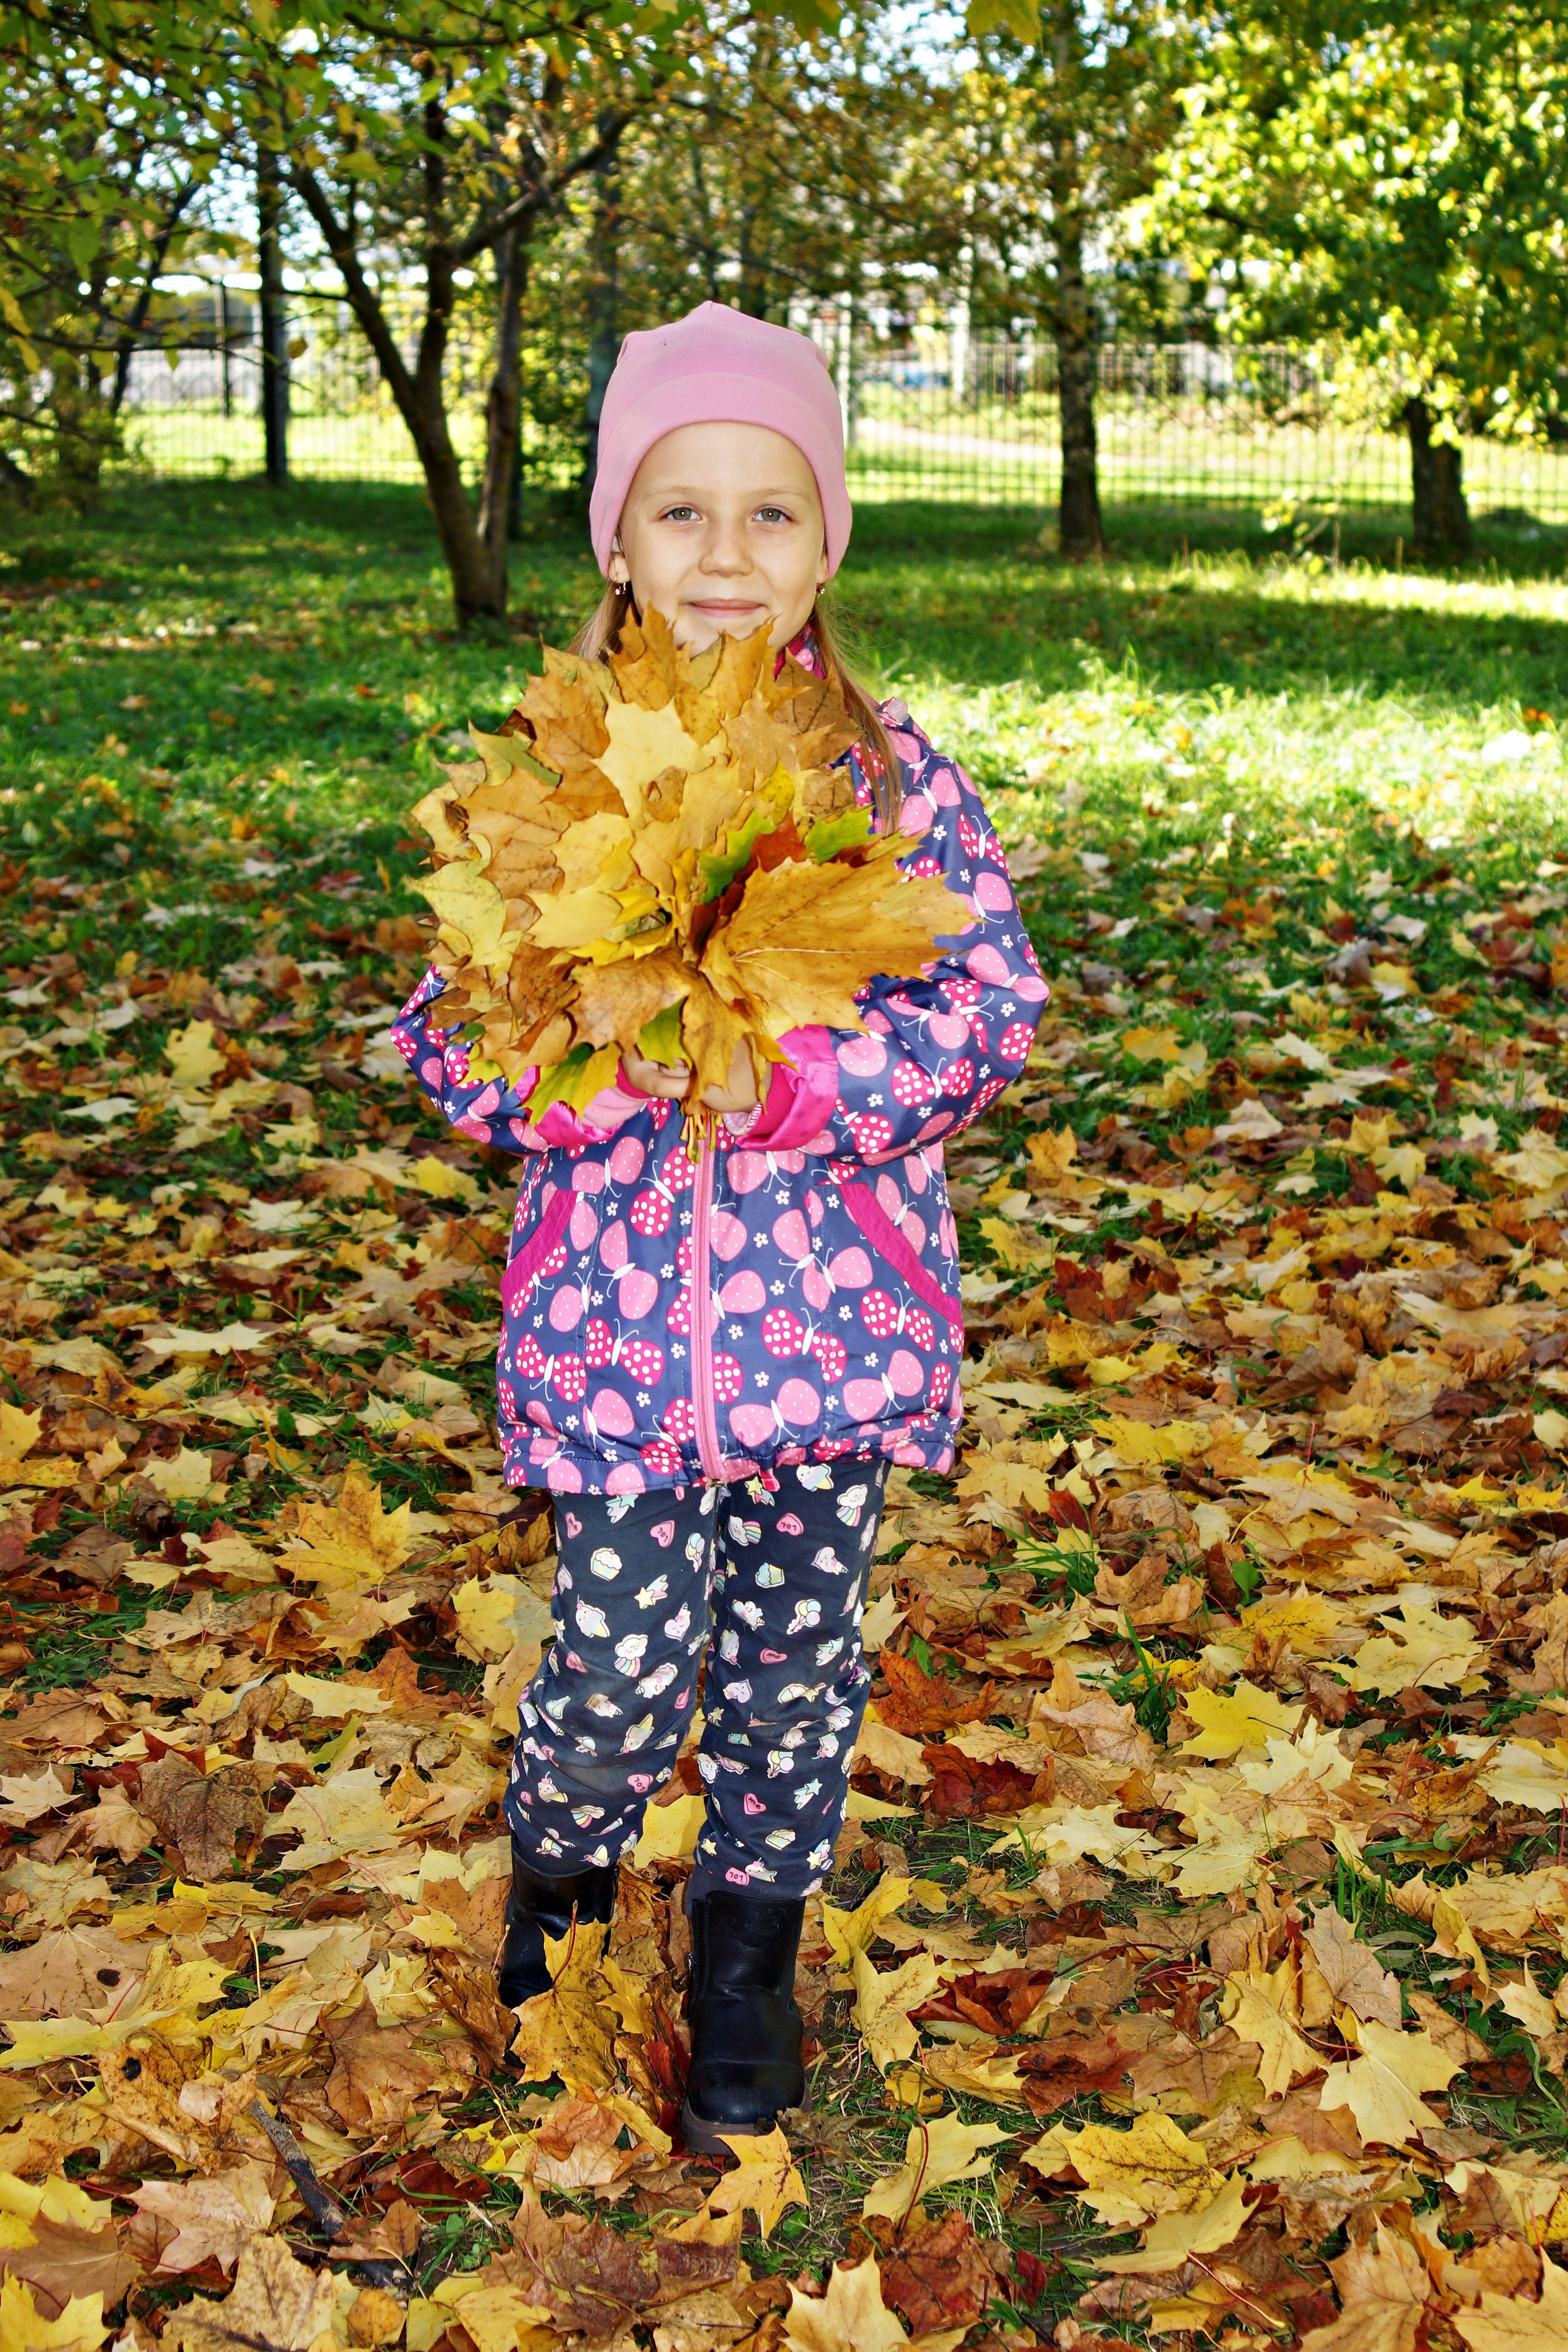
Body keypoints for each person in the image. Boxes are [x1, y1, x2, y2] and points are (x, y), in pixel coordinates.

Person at [391, 302, 1047, 2152]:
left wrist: (801, 1093)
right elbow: (453, 1023)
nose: (726, 557)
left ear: (828, 535)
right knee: (609, 1658)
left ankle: (748, 1952)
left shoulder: (898, 781)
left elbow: (984, 1009)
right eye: (682, 512)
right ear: (617, 536)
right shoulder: (553, 782)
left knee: (791, 1664)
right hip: (612, 1348)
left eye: (773, 512)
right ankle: (564, 1917)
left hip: (834, 1342)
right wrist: (565, 1080)